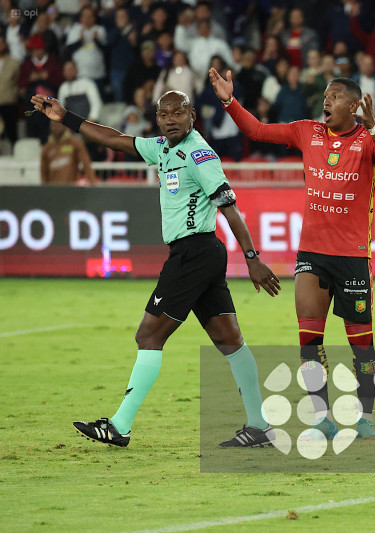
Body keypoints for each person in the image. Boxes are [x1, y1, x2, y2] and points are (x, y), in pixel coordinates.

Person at [30, 90, 282, 447]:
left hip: (193, 253)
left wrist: (253, 258)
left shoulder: (199, 153)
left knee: (149, 336)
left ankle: (119, 426)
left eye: (178, 113)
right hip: (201, 253)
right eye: (164, 114)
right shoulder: (162, 147)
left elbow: (228, 204)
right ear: (157, 117)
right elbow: (115, 139)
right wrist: (66, 117)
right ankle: (260, 426)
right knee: (230, 340)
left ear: (192, 114)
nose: (170, 119)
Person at [208, 68, 375, 440]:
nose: (326, 101)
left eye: (334, 96)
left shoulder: (368, 139)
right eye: (325, 95)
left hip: (353, 257)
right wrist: (229, 101)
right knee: (309, 340)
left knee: (362, 344)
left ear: (355, 104)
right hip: (312, 253)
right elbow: (258, 131)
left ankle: (366, 418)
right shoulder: (307, 131)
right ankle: (322, 416)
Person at [40, 121, 97, 185]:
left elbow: (86, 164)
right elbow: (43, 171)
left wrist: (93, 183)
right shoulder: (47, 148)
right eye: (53, 125)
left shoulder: (75, 143)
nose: (55, 128)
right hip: (53, 190)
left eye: (58, 125)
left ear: (64, 126)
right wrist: (44, 189)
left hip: (71, 188)